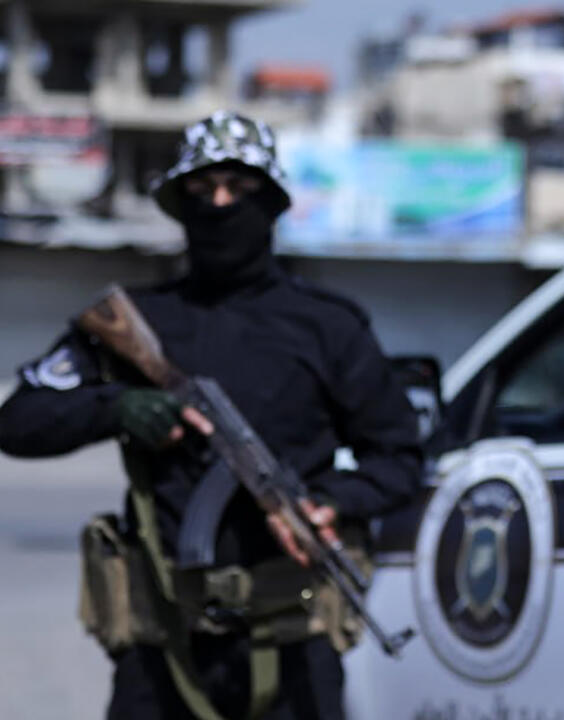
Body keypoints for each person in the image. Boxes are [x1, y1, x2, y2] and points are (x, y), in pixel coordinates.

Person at [0, 111, 422, 720]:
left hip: (292, 638)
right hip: (161, 645)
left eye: (239, 187)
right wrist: (117, 408)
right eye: (203, 188)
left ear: (271, 203)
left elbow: (399, 458)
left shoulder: (329, 327)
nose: (221, 204)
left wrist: (330, 502)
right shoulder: (137, 321)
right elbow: (18, 421)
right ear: (180, 204)